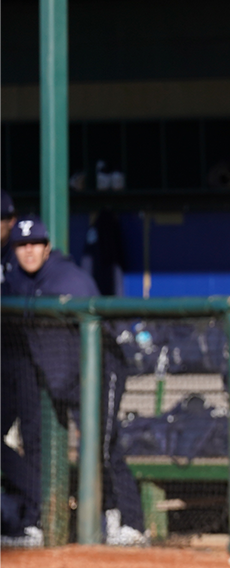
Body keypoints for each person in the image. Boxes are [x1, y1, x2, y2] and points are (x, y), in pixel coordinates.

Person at [0, 214, 147, 548]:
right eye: (22, 245)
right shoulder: (16, 282)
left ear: (47, 247)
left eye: (35, 244)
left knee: (103, 446)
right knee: (50, 446)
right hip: (59, 379)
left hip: (100, 370)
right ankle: (97, 515)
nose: (29, 251)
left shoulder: (68, 277)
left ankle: (134, 523)